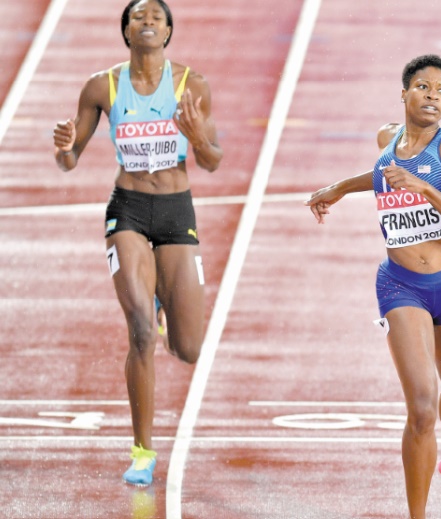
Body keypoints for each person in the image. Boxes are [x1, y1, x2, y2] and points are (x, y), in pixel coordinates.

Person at [306, 54, 441, 519]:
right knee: (424, 409)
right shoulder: (388, 140)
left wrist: (425, 188)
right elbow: (382, 176)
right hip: (400, 286)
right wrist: (338, 187)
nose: (433, 96)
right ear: (404, 92)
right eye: (424, 87)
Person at [52, 0, 222, 486]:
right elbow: (70, 159)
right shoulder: (101, 86)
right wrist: (63, 148)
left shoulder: (193, 85)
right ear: (125, 29)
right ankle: (143, 451)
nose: (147, 22)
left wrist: (197, 137)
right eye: (138, 16)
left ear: (169, 31)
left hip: (176, 213)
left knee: (187, 348)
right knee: (143, 334)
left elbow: (211, 160)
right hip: (126, 209)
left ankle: (158, 296)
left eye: (156, 17)